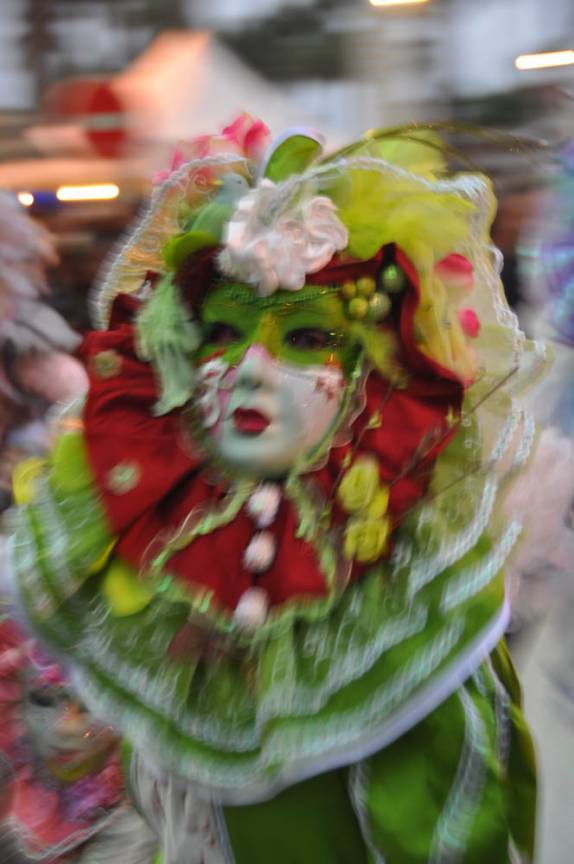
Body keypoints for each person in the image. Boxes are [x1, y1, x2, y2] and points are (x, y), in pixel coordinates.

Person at [4, 115, 547, 862]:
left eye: (307, 338)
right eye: (224, 335)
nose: (249, 371)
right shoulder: (164, 562)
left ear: (373, 378)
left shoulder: (404, 605)